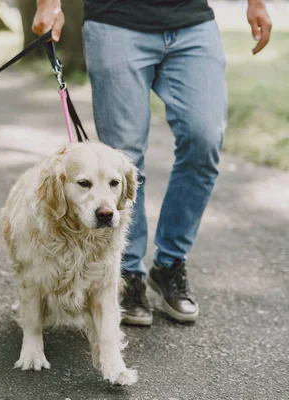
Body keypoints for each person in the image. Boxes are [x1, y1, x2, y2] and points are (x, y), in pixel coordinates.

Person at [32, 0, 272, 325]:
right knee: (124, 160)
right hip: (116, 21)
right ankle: (127, 273)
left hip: (192, 21)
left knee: (204, 140)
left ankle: (170, 264)